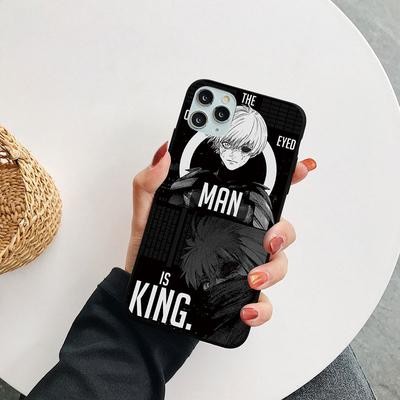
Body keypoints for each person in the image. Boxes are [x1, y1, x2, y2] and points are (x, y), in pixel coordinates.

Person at [25, 144, 375, 400]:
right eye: (229, 146)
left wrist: (152, 307)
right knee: (321, 372)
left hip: (133, 346)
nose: (234, 156)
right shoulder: (193, 183)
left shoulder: (246, 198)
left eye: (245, 148)